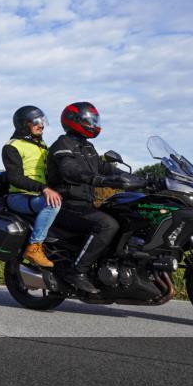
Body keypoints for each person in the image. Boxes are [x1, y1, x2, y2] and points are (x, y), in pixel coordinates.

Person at [46, 102, 145, 294]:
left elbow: (106, 168)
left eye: (94, 120)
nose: (93, 124)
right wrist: (99, 180)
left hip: (86, 204)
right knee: (107, 225)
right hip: (66, 204)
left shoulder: (88, 147)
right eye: (89, 120)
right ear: (74, 121)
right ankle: (77, 271)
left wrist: (141, 179)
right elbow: (70, 170)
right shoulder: (62, 145)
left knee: (126, 219)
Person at [2, 106, 62, 268]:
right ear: (23, 124)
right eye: (36, 122)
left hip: (37, 196)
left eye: (42, 121)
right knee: (52, 203)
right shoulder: (13, 146)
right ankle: (34, 247)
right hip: (19, 196)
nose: (41, 125)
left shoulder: (42, 146)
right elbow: (15, 178)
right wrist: (44, 188)